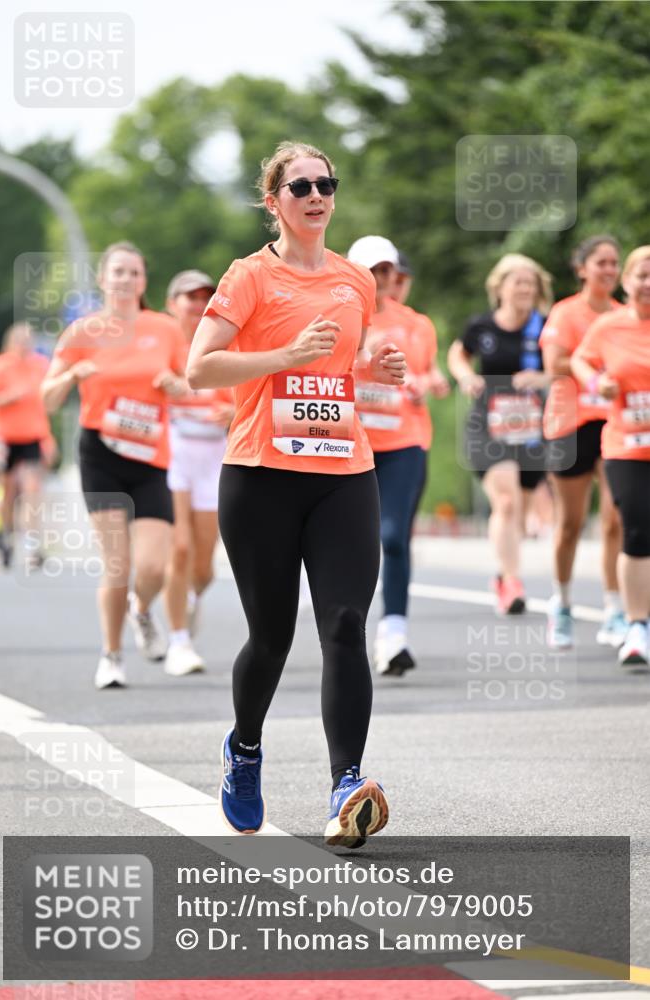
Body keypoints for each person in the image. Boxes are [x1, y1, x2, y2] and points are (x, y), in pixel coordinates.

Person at [186, 140, 406, 846]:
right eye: (300, 185)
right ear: (273, 200)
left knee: (344, 624)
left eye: (325, 183)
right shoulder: (249, 276)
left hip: (344, 474)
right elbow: (199, 369)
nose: (315, 195)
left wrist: (380, 364)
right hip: (260, 477)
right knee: (272, 637)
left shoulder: (354, 282)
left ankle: (347, 783)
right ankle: (244, 748)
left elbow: (347, 361)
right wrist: (282, 358)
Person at [41, 241, 186, 689]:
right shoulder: (84, 332)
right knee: (117, 564)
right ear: (103, 279)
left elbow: (191, 382)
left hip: (150, 457)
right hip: (101, 453)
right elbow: (46, 397)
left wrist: (175, 386)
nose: (125, 280)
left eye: (134, 273)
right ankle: (112, 655)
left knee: (154, 568)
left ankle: (140, 610)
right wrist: (70, 376)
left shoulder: (165, 329)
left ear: (144, 281)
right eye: (117, 272)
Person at [348, 237, 449, 676]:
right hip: (347, 445)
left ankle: (394, 633)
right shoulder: (338, 318)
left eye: (387, 271)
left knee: (393, 536)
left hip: (404, 444)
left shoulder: (417, 324)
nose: (381, 279)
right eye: (372, 270)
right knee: (352, 542)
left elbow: (427, 370)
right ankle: (346, 630)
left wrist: (427, 382)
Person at [447, 254, 553, 614]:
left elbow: (563, 367)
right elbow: (458, 355)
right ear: (500, 287)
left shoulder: (546, 327)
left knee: (519, 516)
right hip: (488, 426)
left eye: (530, 283)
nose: (524, 288)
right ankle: (512, 581)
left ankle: (504, 573)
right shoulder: (482, 327)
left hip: (531, 431)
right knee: (505, 502)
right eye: (517, 282)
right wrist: (465, 377)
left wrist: (542, 379)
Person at [540, 236, 624, 649]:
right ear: (582, 269)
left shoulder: (628, 316)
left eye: (614, 263)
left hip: (617, 425)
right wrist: (597, 364)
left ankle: (615, 609)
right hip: (571, 422)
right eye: (601, 262)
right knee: (571, 524)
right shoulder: (566, 312)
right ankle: (563, 602)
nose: (609, 270)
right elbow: (554, 363)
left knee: (615, 519)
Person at [572, 246, 650, 667]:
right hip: (626, 446)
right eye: (642, 274)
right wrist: (597, 381)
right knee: (635, 528)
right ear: (627, 280)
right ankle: (637, 626)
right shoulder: (609, 327)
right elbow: (582, 360)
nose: (649, 283)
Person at [163, 269, 234, 676]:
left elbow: (247, 393)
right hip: (173, 452)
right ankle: (178, 642)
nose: (196, 304)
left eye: (204, 296)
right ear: (173, 304)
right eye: (188, 297)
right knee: (181, 548)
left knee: (204, 566)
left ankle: (188, 598)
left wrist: (235, 411)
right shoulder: (162, 341)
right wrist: (165, 382)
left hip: (213, 455)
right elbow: (140, 380)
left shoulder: (221, 341)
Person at [0, 322, 50, 570]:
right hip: (3, 436)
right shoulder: (0, 365)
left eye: (29, 340)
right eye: (20, 340)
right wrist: (10, 396)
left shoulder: (40, 366)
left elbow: (46, 404)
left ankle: (32, 546)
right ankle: (6, 536)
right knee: (8, 491)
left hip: (32, 435)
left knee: (33, 489)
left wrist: (48, 439)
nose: (25, 345)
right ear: (11, 342)